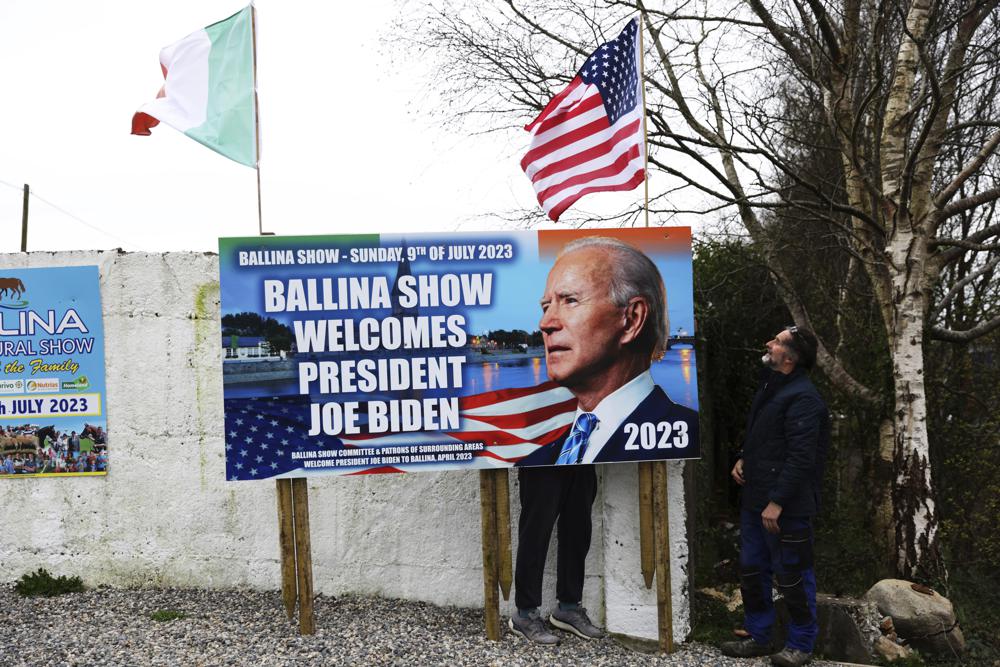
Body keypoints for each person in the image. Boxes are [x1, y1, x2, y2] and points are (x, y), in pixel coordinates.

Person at [509, 236, 698, 645]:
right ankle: (525, 613)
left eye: (569, 301)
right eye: (546, 306)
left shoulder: (672, 424)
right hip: (548, 462)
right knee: (537, 526)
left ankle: (568, 607)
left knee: (578, 525)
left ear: (631, 319)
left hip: (579, 459)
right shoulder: (546, 441)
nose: (546, 323)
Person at [721, 326, 830, 667]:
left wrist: (778, 501)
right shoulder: (772, 386)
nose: (769, 343)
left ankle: (801, 644)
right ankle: (759, 635)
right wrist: (743, 457)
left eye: (778, 341)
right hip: (756, 500)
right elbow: (762, 435)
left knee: (793, 573)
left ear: (791, 357)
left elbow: (802, 457)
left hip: (787, 507)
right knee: (752, 569)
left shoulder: (805, 398)